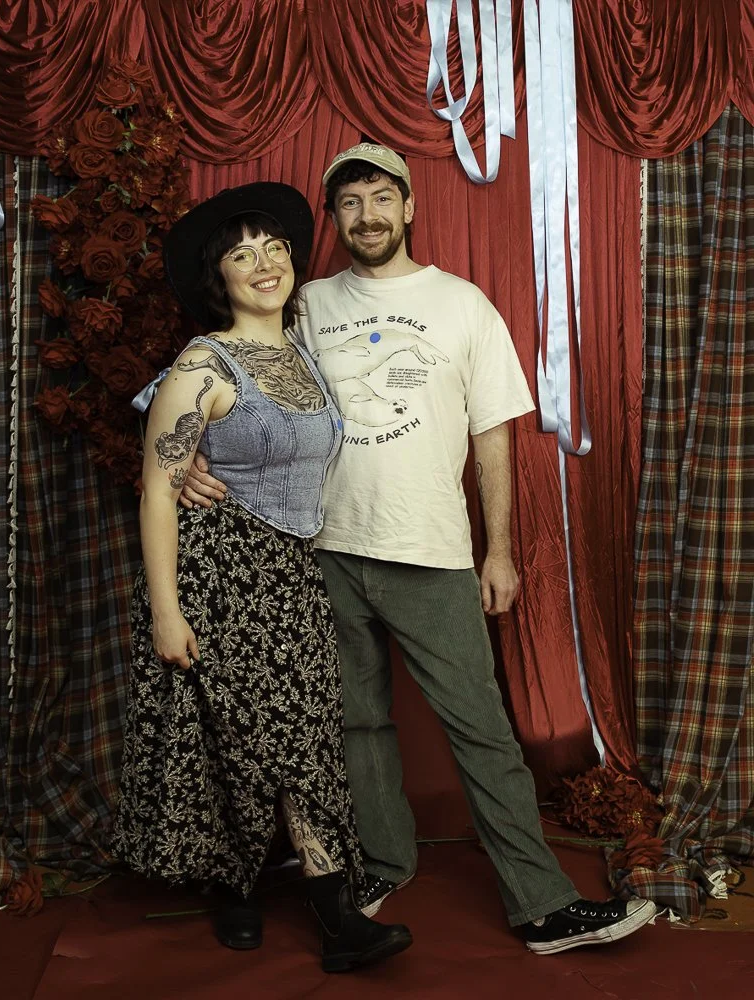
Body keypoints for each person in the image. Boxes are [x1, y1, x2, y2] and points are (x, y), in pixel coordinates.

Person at [180, 147, 657, 955]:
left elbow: (495, 433)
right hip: (320, 549)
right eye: (350, 204)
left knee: (481, 728)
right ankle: (379, 863)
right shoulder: (304, 302)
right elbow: (229, 362)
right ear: (332, 220)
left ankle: (539, 903)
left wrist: (497, 550)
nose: (366, 216)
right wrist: (184, 447)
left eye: (380, 198)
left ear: (408, 207)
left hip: (430, 548)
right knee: (355, 725)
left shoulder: (464, 305)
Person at [111, 181, 413, 974]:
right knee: (237, 742)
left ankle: (308, 899)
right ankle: (269, 897)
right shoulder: (200, 363)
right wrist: (167, 614)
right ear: (222, 279)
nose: (263, 262)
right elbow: (155, 487)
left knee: (305, 738)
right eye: (241, 254)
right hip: (217, 574)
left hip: (292, 576)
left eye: (273, 246)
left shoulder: (303, 351)